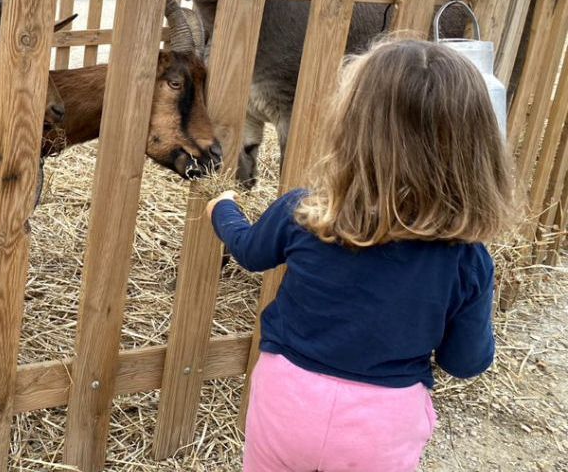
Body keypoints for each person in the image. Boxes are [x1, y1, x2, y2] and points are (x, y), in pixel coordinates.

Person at [207, 38, 515, 472]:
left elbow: (248, 251)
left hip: (287, 401)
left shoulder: (305, 213)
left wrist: (222, 208)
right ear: (476, 150)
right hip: (381, 427)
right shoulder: (467, 259)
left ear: (349, 127)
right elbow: (465, 362)